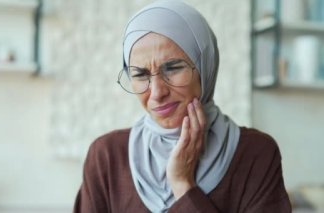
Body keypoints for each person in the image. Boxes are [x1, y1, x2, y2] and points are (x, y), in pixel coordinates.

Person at [73, 0, 291, 212]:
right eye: (140, 74)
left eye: (173, 68)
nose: (157, 93)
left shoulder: (255, 154)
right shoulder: (108, 156)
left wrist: (183, 184)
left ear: (205, 67)